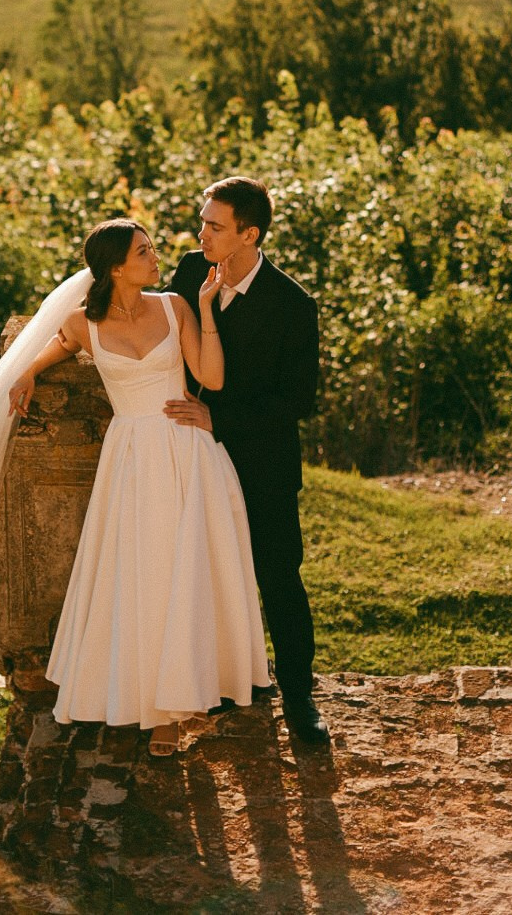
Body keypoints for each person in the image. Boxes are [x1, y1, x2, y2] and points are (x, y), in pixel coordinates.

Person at [0, 217, 270, 758]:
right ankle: (152, 707)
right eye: (143, 252)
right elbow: (51, 347)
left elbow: (212, 379)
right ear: (116, 268)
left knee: (186, 573)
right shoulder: (84, 323)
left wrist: (207, 312)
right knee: (142, 578)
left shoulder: (174, 305)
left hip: (185, 452)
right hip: (129, 462)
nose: (155, 257)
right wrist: (28, 373)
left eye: (151, 249)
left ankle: (184, 702)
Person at [166, 176, 329, 744]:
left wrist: (221, 419)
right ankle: (221, 681)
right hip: (190, 452)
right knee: (199, 567)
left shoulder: (293, 304)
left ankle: (300, 695)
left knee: (279, 574)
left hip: (264, 460)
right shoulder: (190, 273)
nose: (201, 233)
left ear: (249, 234)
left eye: (214, 226)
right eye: (203, 222)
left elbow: (297, 401)